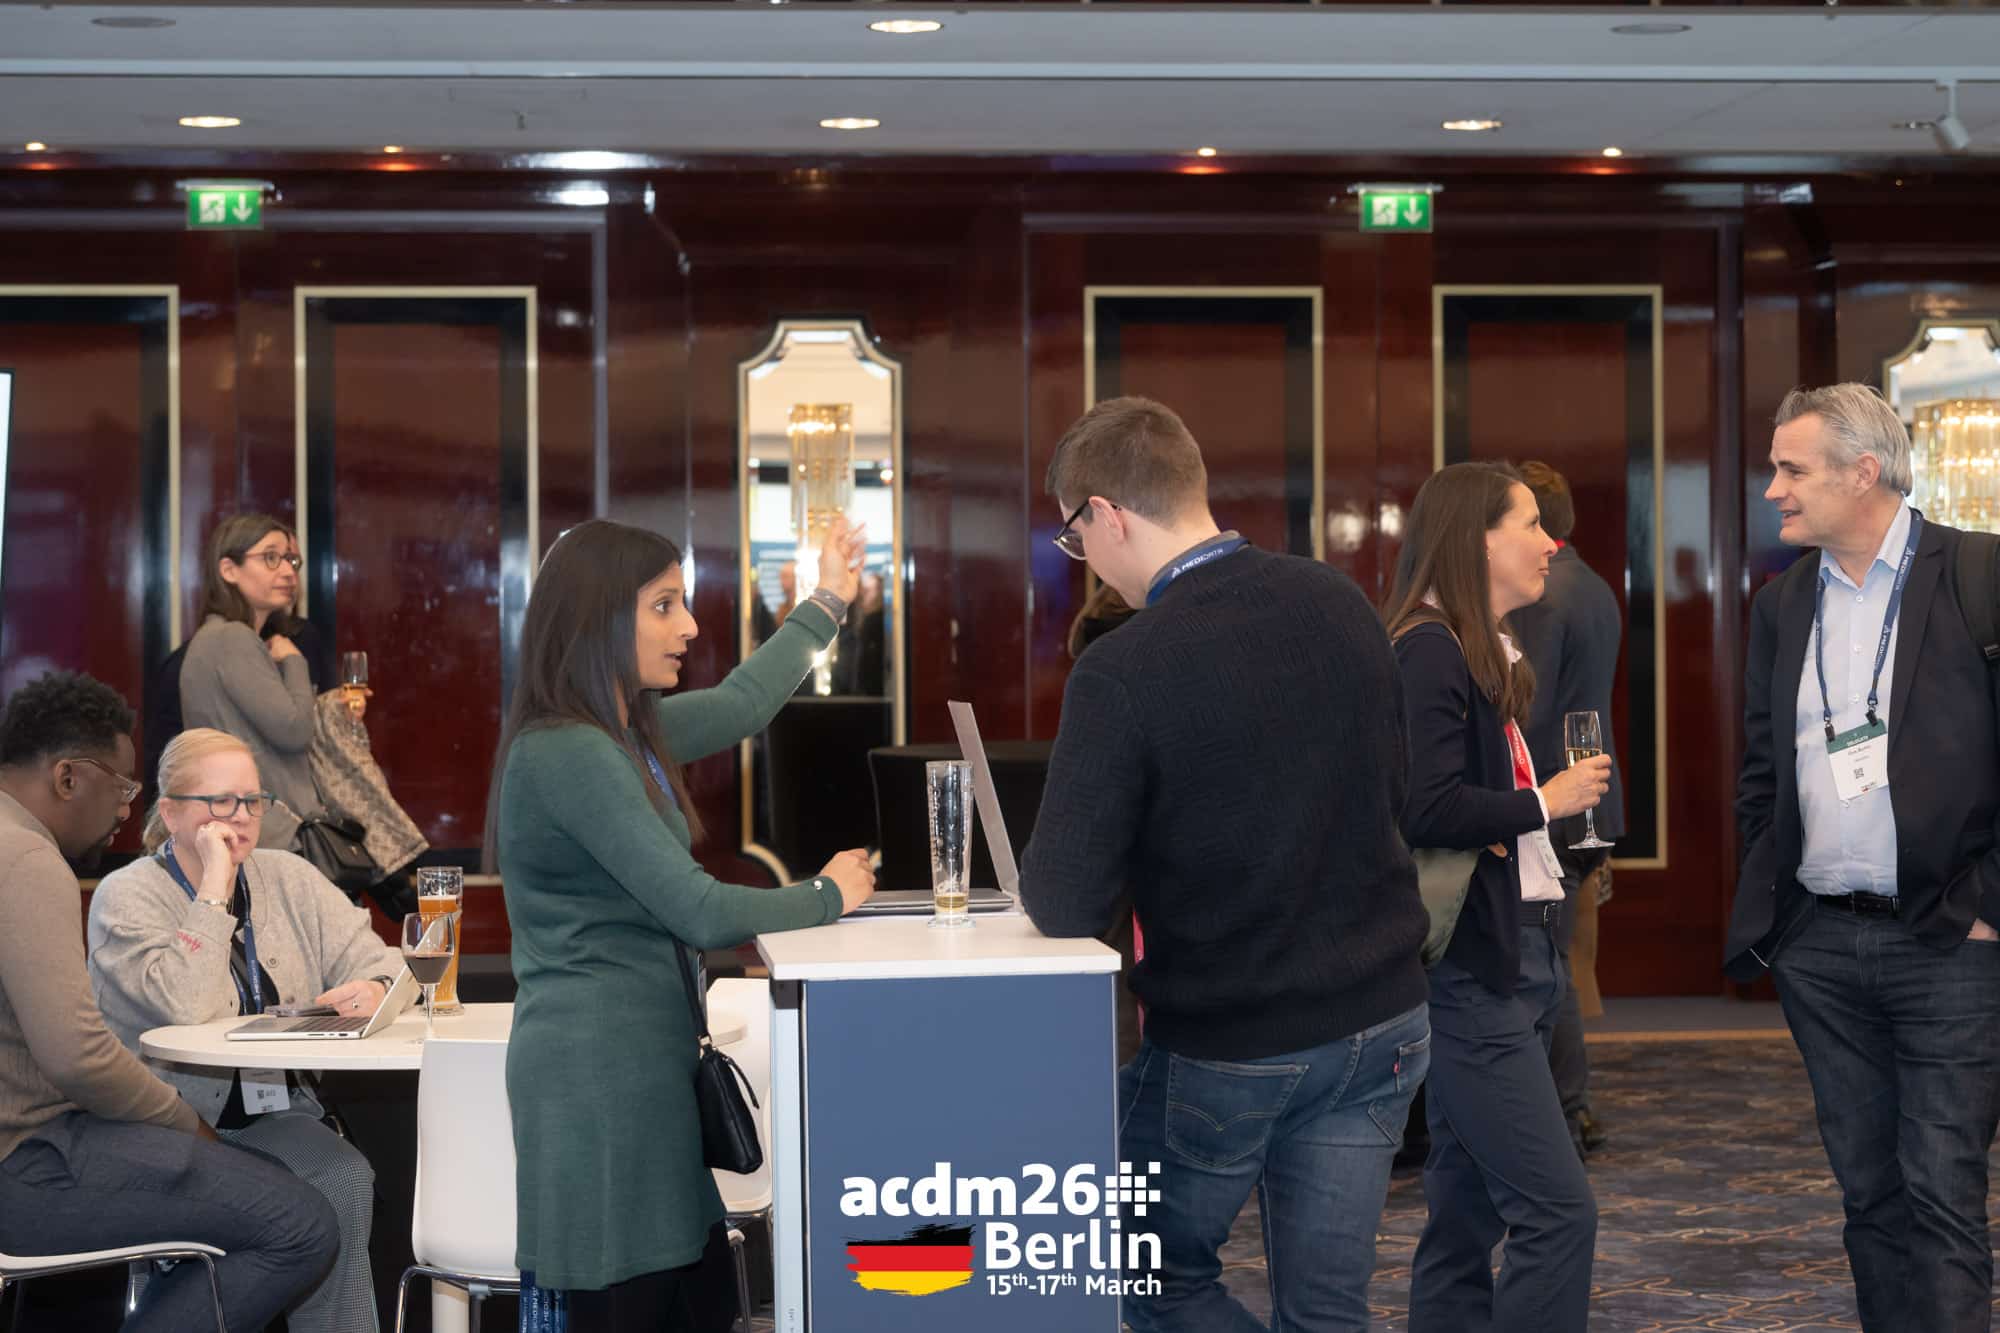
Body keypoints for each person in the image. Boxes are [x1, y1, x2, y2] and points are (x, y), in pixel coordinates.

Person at [1020, 396, 1431, 1333]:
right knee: (1328, 1309)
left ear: (1107, 514)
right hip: (1384, 1015)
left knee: (1140, 1272)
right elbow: (1392, 793)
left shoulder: (1124, 667)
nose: (1084, 559)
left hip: (1234, 1035)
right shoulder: (1341, 602)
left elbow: (1063, 898)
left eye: (1076, 536)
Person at [489, 516, 878, 1331]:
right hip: (599, 1089)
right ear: (600, 617)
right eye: (664, 605)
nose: (690, 626)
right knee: (630, 1304)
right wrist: (825, 894)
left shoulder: (621, 733)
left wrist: (828, 600)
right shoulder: (568, 751)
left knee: (692, 1299)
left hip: (642, 1075)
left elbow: (743, 703)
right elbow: (697, 908)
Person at [1730, 383, 2000, 1333]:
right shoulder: (1782, 603)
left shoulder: (1979, 574)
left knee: (1942, 1192)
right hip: (1822, 947)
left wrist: (1988, 909)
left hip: (1951, 942)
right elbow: (1764, 769)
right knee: (1869, 1197)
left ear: (1863, 472)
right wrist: (1781, 913)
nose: (1773, 489)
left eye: (1791, 469)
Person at [0, 671, 338, 1331]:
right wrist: (188, 1126)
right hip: (27, 1163)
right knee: (301, 1224)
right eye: (121, 786)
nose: (126, 810)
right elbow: (78, 1057)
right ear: (67, 777)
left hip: (40, 1145)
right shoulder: (30, 861)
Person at [1385, 461, 1609, 1333]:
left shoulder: (1472, 644)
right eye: (1529, 524)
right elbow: (1426, 806)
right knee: (1560, 1214)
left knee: (1464, 1214)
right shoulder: (1429, 649)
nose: (1550, 542)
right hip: (1474, 976)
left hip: (1515, 955)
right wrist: (1543, 801)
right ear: (1477, 540)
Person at [88, 726, 408, 1333]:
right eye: (220, 802)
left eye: (252, 801)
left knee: (342, 1173)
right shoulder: (125, 897)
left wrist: (373, 986)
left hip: (274, 1116)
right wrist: (214, 886)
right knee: (279, 1196)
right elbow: (187, 1003)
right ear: (171, 812)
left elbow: (389, 963)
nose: (240, 816)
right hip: (168, 1126)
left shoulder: (289, 877)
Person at [1510, 461, 1625, 1157]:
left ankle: (1567, 1112)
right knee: (1560, 961)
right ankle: (1570, 1109)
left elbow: (1530, 706)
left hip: (1552, 797)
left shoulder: (1543, 594)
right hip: (1588, 799)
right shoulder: (1595, 584)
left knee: (1546, 963)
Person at [180, 513, 324, 849]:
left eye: (291, 559)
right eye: (271, 557)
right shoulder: (232, 638)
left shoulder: (219, 637)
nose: (288, 571)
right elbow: (295, 730)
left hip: (248, 825)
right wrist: (295, 661)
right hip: (267, 832)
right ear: (229, 570)